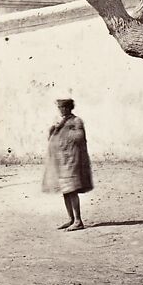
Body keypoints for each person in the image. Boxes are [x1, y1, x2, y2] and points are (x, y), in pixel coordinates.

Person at [42, 97, 93, 231]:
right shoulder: (60, 122)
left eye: (63, 107)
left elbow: (79, 137)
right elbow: (51, 138)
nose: (60, 110)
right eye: (59, 108)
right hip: (62, 161)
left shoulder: (76, 121)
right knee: (65, 190)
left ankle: (78, 220)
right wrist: (53, 130)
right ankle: (71, 218)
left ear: (68, 108)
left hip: (73, 161)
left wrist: (64, 132)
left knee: (71, 190)